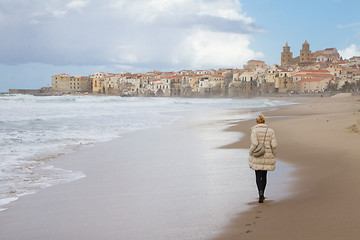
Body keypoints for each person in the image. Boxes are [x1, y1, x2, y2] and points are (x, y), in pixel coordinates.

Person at [248, 114, 277, 203]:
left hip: (258, 154)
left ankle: (259, 193)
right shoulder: (270, 131)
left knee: (258, 174)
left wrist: (250, 152)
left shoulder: (254, 131)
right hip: (267, 154)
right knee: (264, 175)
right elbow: (274, 145)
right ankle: (263, 193)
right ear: (264, 122)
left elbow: (254, 143)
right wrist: (274, 154)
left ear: (257, 122)